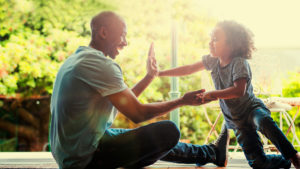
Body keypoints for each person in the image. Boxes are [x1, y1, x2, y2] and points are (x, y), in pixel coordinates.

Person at [49, 11, 229, 169]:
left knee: (138, 137)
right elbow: (138, 114)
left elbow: (125, 103)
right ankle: (210, 153)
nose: (125, 43)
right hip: (85, 158)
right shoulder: (100, 64)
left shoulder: (79, 59)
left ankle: (212, 153)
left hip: (71, 152)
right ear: (104, 32)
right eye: (122, 35)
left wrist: (150, 76)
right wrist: (183, 100)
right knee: (168, 132)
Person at [158, 20, 300, 169]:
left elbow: (239, 90)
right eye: (211, 38)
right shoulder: (213, 61)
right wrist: (160, 73)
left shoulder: (239, 62)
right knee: (258, 163)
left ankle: (294, 157)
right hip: (237, 122)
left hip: (252, 110)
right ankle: (285, 162)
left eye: (215, 39)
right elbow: (188, 69)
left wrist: (213, 94)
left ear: (232, 45)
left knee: (264, 121)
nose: (210, 43)